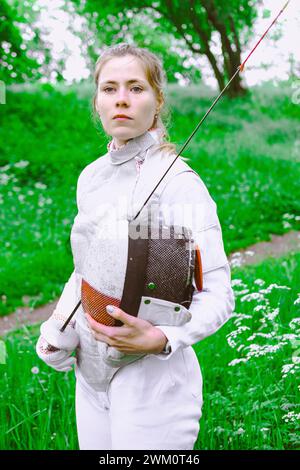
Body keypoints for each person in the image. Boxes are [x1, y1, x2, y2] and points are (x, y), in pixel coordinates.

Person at [35, 43, 235, 450]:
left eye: (135, 88)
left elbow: (219, 294)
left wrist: (160, 338)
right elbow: (86, 271)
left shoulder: (178, 181)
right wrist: (61, 328)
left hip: (152, 381)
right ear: (97, 101)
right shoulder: (90, 178)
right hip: (89, 380)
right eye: (109, 89)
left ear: (157, 100)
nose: (121, 99)